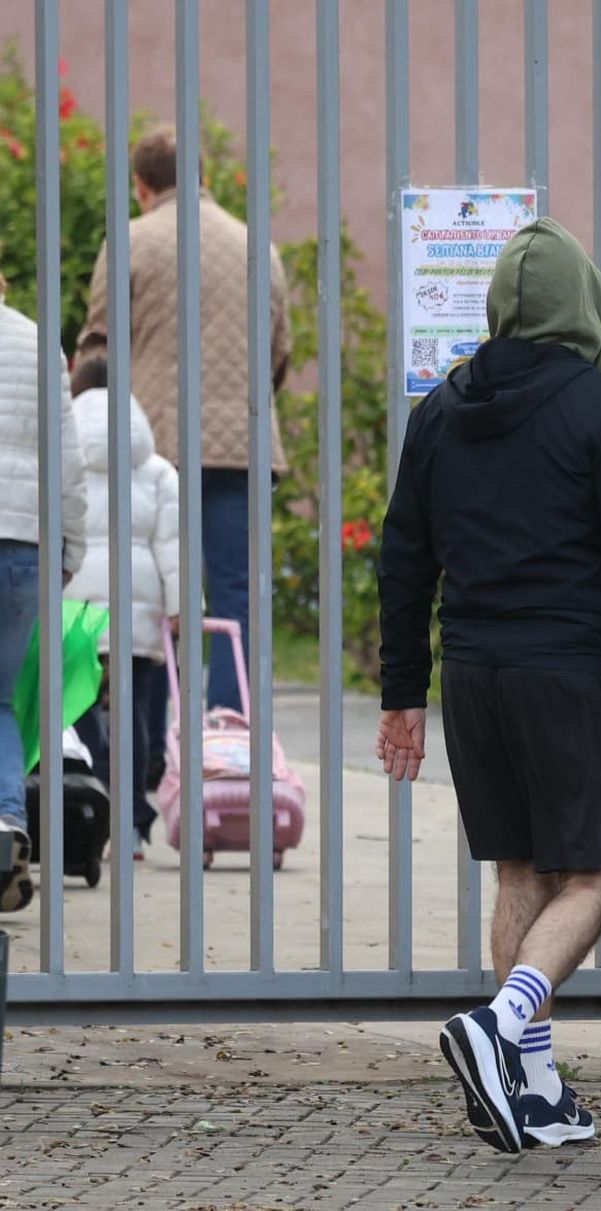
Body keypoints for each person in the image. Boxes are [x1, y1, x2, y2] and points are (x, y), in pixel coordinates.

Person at [375, 217, 601, 1153]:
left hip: (475, 679)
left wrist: (403, 693)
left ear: (499, 308)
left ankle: (526, 1090)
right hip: (569, 673)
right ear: (585, 308)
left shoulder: (439, 411)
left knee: (524, 868)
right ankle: (502, 1025)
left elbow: (402, 561)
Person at [78, 124, 291, 715]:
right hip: (240, 447)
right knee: (236, 593)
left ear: (142, 187)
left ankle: (140, 733)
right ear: (203, 178)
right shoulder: (258, 245)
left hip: (153, 443)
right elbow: (278, 350)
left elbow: (99, 343)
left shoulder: (130, 242)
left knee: (139, 589)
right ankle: (230, 722)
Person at [0, 269, 89, 912]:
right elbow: (69, 459)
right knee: (1, 700)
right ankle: (5, 820)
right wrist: (70, 548)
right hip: (25, 546)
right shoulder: (39, 345)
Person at [65, 354, 179, 858]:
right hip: (139, 610)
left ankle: (93, 809)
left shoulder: (61, 457)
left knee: (79, 707)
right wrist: (180, 608)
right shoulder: (156, 470)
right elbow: (173, 547)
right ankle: (131, 825)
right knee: (134, 715)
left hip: (77, 608)